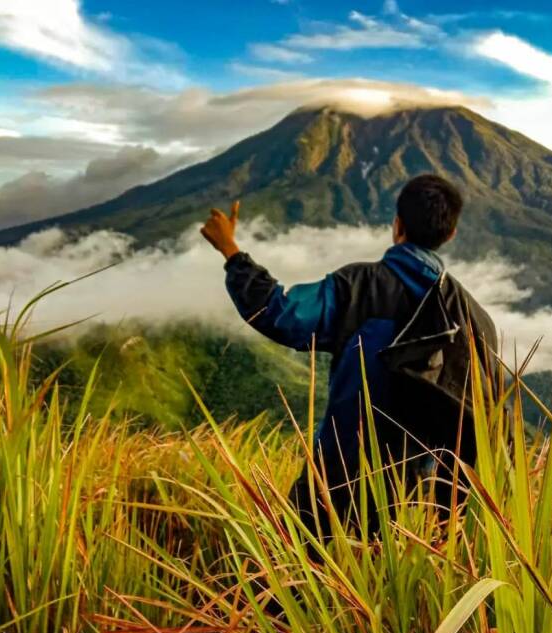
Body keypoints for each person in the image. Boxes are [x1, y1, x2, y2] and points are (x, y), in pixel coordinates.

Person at [200, 174, 498, 539]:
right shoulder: (475, 319)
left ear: (397, 225)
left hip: (339, 483)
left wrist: (230, 250)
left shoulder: (358, 287)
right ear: (450, 235)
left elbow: (279, 314)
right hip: (424, 510)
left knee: (290, 584)